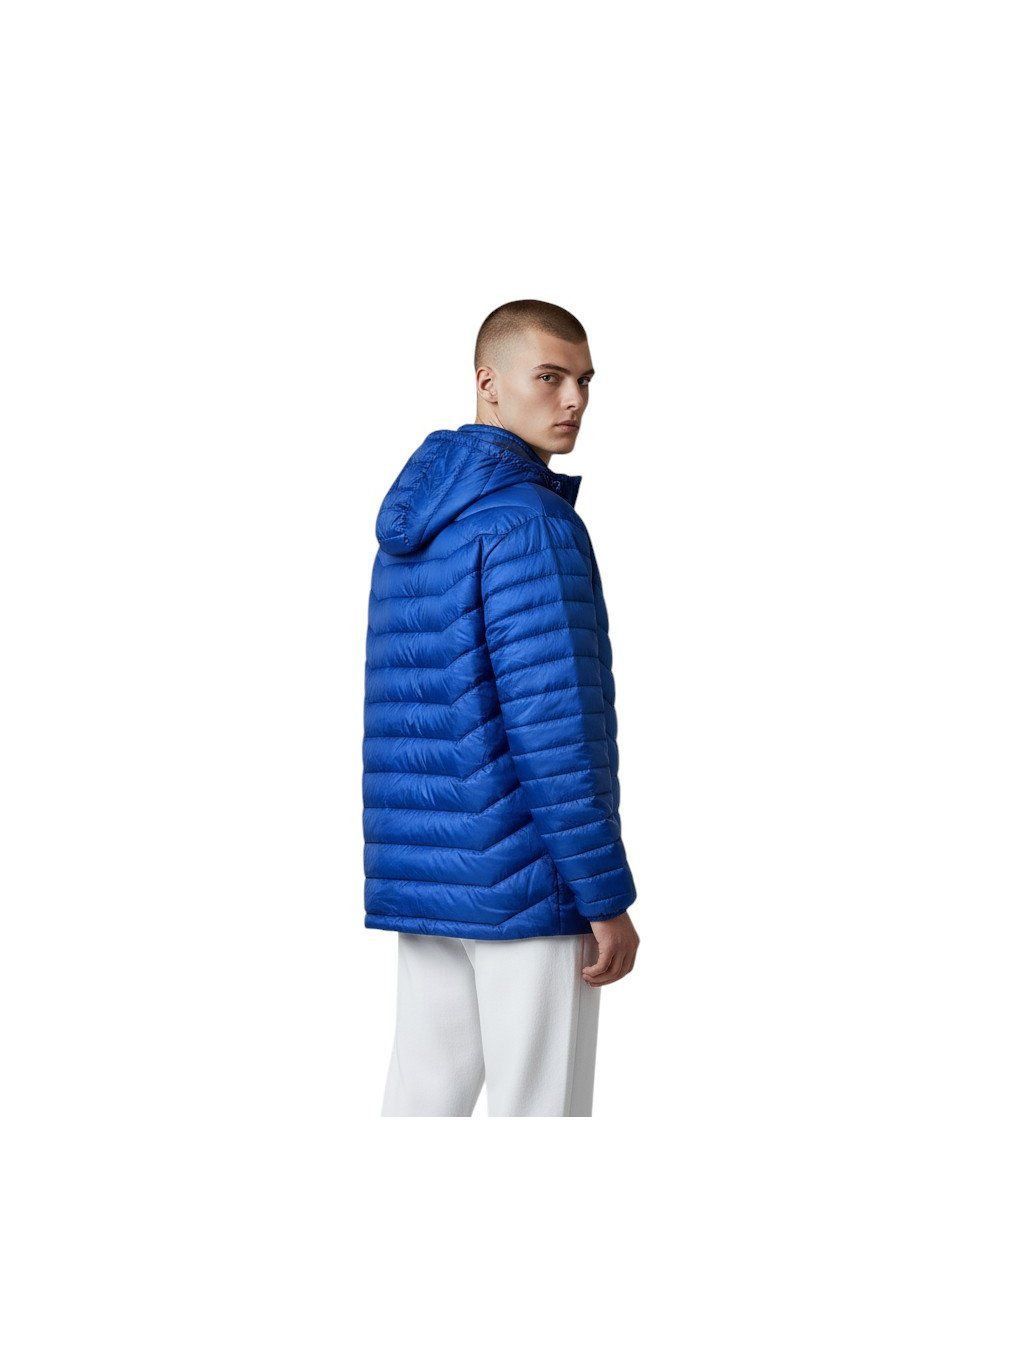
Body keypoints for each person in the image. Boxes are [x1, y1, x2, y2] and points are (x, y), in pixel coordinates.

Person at [363, 299, 639, 1117]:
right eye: (549, 377)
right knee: (541, 1118)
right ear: (488, 383)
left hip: (428, 878)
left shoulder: (417, 527)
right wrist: (603, 894)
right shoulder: (533, 524)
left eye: (584, 380)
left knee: (420, 1105)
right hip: (527, 881)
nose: (573, 400)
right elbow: (556, 730)